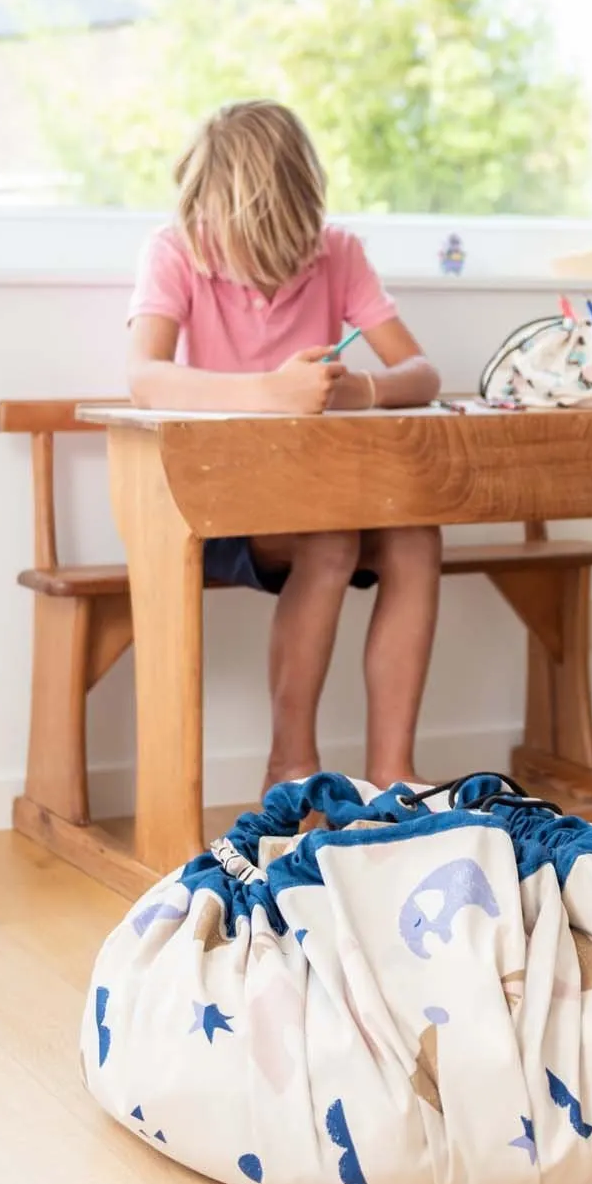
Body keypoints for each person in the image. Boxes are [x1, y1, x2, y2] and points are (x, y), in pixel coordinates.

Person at [126, 100, 442, 793]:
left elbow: (422, 373)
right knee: (330, 541)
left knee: (417, 535)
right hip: (221, 506)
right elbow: (143, 376)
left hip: (324, 493)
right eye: (241, 246)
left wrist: (360, 390)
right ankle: (291, 767)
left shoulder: (338, 251)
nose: (263, 269)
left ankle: (394, 771)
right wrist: (269, 393)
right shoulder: (176, 250)